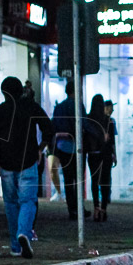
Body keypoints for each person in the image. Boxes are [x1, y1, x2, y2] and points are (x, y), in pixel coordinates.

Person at [0, 77, 54, 259]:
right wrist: (40, 149)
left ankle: (15, 247)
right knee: (28, 201)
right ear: (21, 91)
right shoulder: (31, 107)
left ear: (3, 92)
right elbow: (49, 128)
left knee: (10, 203)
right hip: (28, 161)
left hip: (6, 163)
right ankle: (24, 232)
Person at [52, 82, 89, 221]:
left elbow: (54, 125)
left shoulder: (59, 107)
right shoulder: (78, 106)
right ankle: (79, 208)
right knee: (78, 179)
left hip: (62, 146)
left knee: (68, 179)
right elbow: (84, 124)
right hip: (77, 146)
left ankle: (71, 209)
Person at [86, 94, 115, 223]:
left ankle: (96, 208)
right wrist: (114, 155)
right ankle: (104, 209)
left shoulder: (88, 119)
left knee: (94, 181)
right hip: (106, 154)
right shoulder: (108, 120)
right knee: (105, 181)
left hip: (93, 154)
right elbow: (112, 140)